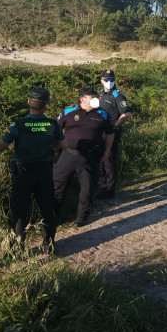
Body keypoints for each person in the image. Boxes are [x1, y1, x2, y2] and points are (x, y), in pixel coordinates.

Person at [0, 88, 67, 255]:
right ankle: (49, 245)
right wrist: (49, 143)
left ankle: (18, 246)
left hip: (23, 173)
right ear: (46, 105)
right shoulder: (51, 124)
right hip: (45, 172)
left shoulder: (18, 124)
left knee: (20, 210)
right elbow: (64, 145)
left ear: (29, 102)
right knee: (47, 209)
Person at [53, 87, 114, 227]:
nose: (95, 99)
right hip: (68, 155)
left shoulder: (103, 114)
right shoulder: (67, 112)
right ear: (82, 99)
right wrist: (56, 146)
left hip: (90, 156)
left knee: (87, 188)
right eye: (92, 97)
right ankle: (53, 215)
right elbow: (56, 131)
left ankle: (82, 217)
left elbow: (110, 133)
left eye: (96, 96)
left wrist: (106, 153)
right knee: (57, 185)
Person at [96, 69, 132, 199]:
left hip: (111, 133)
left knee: (109, 160)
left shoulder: (118, 95)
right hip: (99, 132)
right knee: (100, 159)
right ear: (101, 80)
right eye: (106, 80)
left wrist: (114, 126)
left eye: (112, 80)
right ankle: (101, 187)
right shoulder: (100, 94)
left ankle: (109, 191)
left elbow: (127, 113)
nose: (109, 82)